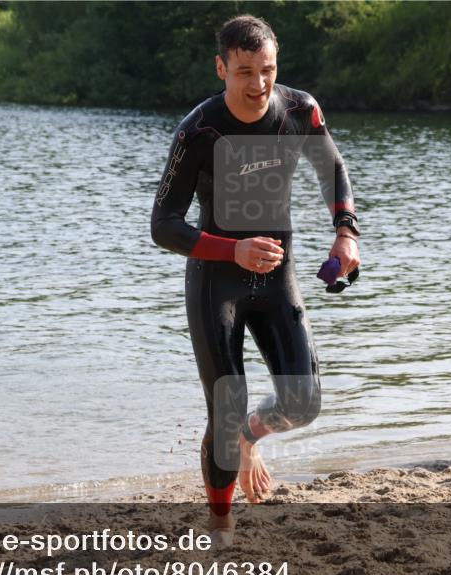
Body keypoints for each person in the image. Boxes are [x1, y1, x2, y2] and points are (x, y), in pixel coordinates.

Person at [150, 14, 360, 542]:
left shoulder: (300, 111)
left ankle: (249, 438)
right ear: (222, 68)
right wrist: (234, 249)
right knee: (224, 410)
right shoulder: (199, 130)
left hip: (276, 277)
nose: (258, 84)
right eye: (244, 71)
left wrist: (346, 233)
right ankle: (220, 530)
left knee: (302, 402)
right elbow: (164, 226)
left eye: (266, 70)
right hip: (215, 280)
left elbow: (330, 167)